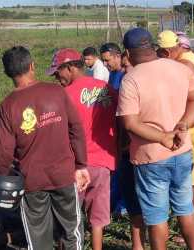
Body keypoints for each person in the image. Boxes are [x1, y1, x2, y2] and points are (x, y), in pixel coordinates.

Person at [0, 46, 90, 250]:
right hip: (64, 174)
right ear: (32, 66)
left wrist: (4, 177)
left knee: (37, 236)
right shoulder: (56, 92)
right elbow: (76, 129)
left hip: (31, 180)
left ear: (7, 72)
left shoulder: (7, 106)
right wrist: (81, 164)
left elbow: (1, 154)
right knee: (72, 230)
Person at [116, 27, 194, 250]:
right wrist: (184, 123)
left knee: (157, 218)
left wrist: (162, 137)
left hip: (151, 158)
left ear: (128, 52)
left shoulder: (131, 79)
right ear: (152, 47)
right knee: (185, 209)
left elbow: (130, 123)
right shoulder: (178, 68)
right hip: (182, 150)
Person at [46, 48, 116, 250]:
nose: (57, 78)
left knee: (68, 218)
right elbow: (120, 121)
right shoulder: (106, 88)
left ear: (69, 68)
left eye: (58, 72)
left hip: (75, 166)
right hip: (103, 163)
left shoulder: (63, 95)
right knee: (98, 217)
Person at [156, 30, 194, 239]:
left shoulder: (184, 64)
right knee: (193, 176)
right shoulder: (189, 57)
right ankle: (192, 224)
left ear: (167, 51)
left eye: (160, 54)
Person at [100, 43, 146, 250]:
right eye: (104, 60)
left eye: (108, 59)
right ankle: (119, 208)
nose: (106, 63)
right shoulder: (113, 76)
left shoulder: (130, 77)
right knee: (120, 179)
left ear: (120, 56)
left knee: (136, 190)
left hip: (131, 141)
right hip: (120, 138)